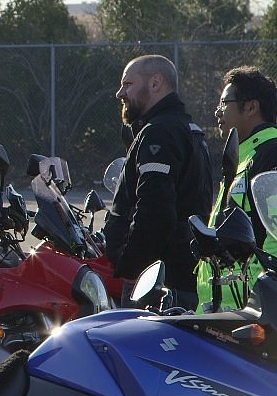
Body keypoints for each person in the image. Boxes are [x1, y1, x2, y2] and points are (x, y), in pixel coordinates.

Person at [103, 54, 212, 311]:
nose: (120, 93)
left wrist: (130, 266)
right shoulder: (188, 129)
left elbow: (155, 212)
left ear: (155, 83)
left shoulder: (160, 132)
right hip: (178, 278)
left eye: (128, 84)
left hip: (157, 285)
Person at [195, 66, 277, 312]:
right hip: (227, 301)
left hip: (254, 307)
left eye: (223, 103)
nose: (217, 111)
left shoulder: (270, 154)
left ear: (251, 107)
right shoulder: (243, 155)